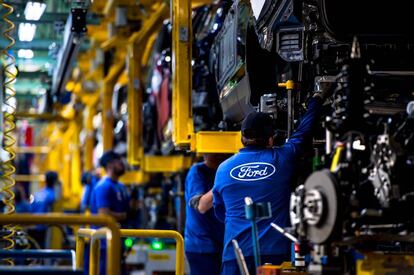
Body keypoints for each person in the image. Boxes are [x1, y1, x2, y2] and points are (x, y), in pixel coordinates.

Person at [213, 90, 331, 275]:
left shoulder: (223, 169)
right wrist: (317, 98)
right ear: (270, 138)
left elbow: (220, 212)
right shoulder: (282, 158)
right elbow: (304, 131)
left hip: (234, 255)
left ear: (242, 138)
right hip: (274, 256)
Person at [185, 154, 230, 275]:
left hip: (221, 244)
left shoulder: (225, 170)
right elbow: (201, 205)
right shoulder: (197, 172)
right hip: (202, 247)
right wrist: (224, 180)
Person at [89, 151, 129, 275]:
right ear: (110, 165)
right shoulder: (103, 186)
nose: (122, 164)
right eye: (119, 161)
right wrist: (123, 216)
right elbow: (103, 214)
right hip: (105, 243)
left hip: (118, 240)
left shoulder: (120, 186)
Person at [30, 171, 60, 247]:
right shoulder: (53, 196)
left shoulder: (37, 194)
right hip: (45, 229)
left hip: (33, 227)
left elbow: (31, 209)